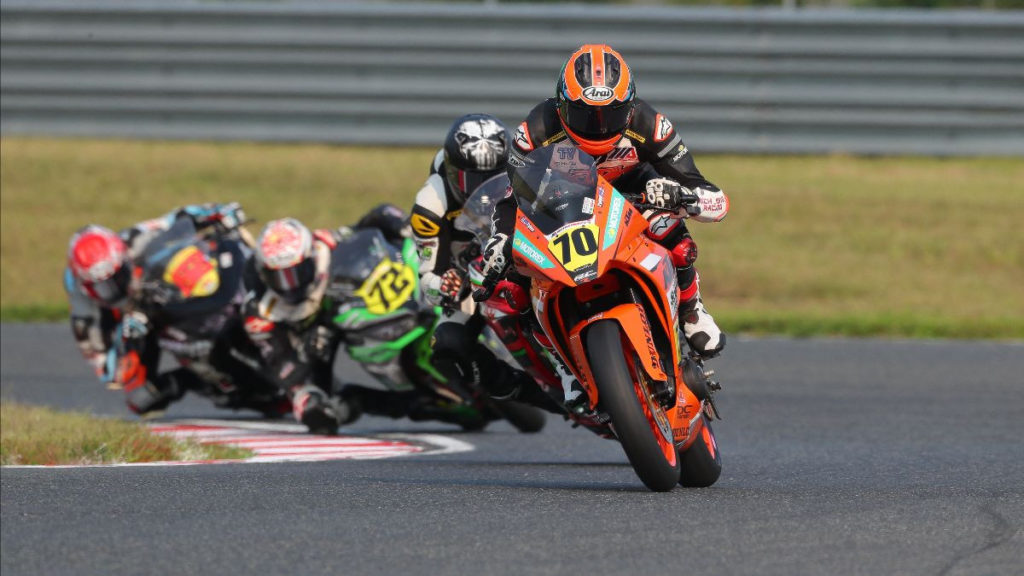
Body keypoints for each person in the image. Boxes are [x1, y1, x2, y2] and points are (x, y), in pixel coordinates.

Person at [478, 44, 729, 358]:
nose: (598, 127)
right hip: (564, 205)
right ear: (561, 105)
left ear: (629, 105)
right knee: (514, 286)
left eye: (610, 114)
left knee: (674, 236)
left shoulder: (650, 124)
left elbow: (706, 190)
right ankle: (561, 362)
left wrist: (684, 198)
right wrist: (501, 238)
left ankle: (691, 308)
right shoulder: (534, 131)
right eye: (584, 115)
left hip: (634, 192)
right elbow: (512, 197)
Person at [243, 206, 512, 434]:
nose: (289, 284)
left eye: (295, 272)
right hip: (317, 340)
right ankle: (361, 402)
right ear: (264, 274)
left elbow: (372, 218)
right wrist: (307, 391)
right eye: (279, 277)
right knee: (324, 403)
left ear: (308, 256)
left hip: (358, 304)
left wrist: (399, 224)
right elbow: (281, 365)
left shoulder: (321, 244)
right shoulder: (261, 312)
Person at [65, 203, 283, 416]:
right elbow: (109, 370)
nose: (116, 286)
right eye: (105, 287)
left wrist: (215, 213)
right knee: (140, 398)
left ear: (123, 257)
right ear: (87, 287)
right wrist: (128, 336)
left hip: (159, 296)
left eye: (120, 274)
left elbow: (177, 218)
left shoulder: (132, 239)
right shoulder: (85, 313)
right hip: (137, 327)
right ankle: (189, 380)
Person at [409, 113, 563, 411]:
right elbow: (426, 278)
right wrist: (446, 285)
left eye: (495, 175)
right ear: (454, 173)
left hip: (526, 251)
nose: (483, 187)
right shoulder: (430, 206)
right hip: (470, 275)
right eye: (472, 177)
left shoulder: (527, 172)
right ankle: (520, 389)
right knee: (447, 344)